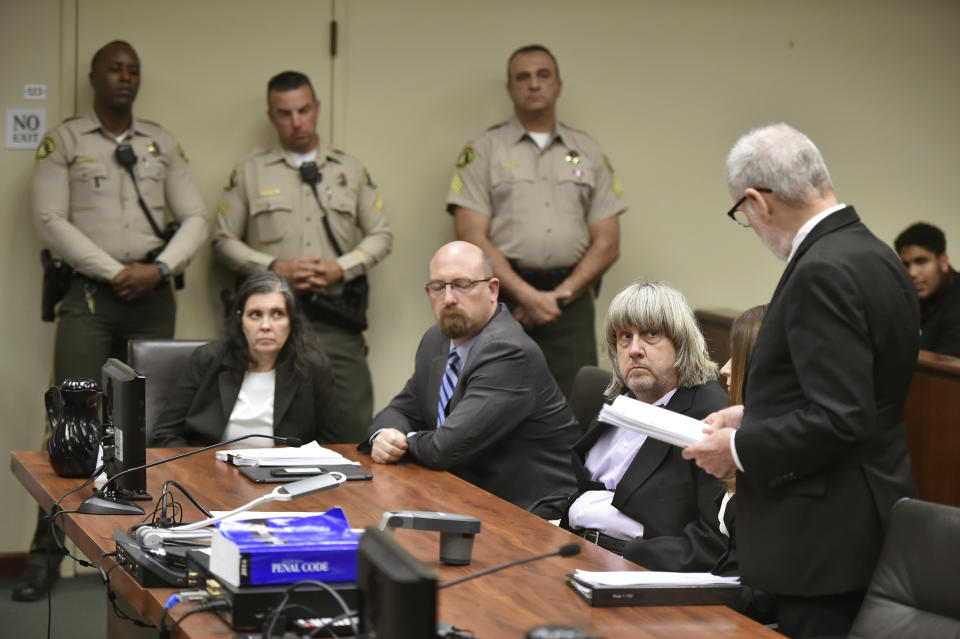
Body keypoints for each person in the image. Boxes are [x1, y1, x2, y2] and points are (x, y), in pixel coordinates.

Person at [683, 123, 920, 638]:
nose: (749, 222)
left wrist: (740, 447)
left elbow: (842, 415)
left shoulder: (822, 269)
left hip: (824, 538)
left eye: (740, 213)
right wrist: (754, 412)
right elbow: (855, 390)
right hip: (867, 512)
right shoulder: (874, 253)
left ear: (757, 201)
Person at [22, 40, 207, 602]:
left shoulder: (161, 142)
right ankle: (44, 554)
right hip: (91, 296)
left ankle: (146, 544)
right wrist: (113, 271)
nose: (125, 78)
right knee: (73, 420)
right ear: (94, 76)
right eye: (114, 69)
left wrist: (162, 268)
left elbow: (196, 216)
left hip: (152, 294)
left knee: (147, 421)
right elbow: (49, 217)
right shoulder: (66, 141)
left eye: (133, 70)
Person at [212, 71, 392, 443]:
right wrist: (274, 268)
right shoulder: (251, 172)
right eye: (285, 113)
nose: (296, 122)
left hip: (332, 314)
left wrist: (338, 269)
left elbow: (382, 235)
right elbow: (222, 241)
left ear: (317, 109)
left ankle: (351, 500)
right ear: (271, 116)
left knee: (352, 421)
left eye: (304, 110)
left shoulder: (349, 169)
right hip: (271, 316)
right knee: (267, 420)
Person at [447, 44, 627, 399]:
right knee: (497, 399)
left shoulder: (588, 151)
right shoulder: (483, 150)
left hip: (570, 303)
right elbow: (471, 237)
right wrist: (527, 296)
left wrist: (558, 298)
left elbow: (608, 242)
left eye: (543, 75)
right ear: (510, 88)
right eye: (523, 77)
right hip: (503, 299)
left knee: (578, 405)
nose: (533, 84)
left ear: (558, 85)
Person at [361, 241, 579, 515]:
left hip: (531, 512)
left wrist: (402, 441)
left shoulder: (507, 351)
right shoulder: (436, 340)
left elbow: (444, 448)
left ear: (492, 290)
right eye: (439, 287)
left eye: (462, 284)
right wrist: (383, 436)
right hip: (466, 495)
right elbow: (401, 409)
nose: (449, 298)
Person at [559, 281, 728, 572]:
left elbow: (713, 542)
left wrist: (628, 554)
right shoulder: (616, 403)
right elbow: (572, 486)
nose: (634, 349)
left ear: (681, 343)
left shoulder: (710, 414)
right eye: (625, 337)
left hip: (639, 572)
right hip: (569, 548)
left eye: (650, 335)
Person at [150, 271, 340, 447]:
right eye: (255, 315)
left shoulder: (313, 367)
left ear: (291, 321)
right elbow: (164, 434)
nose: (266, 326)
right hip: (208, 474)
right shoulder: (208, 359)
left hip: (284, 479)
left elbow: (332, 446)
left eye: (277, 314)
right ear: (241, 320)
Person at [894, 222, 960, 357]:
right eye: (905, 264)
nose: (912, 273)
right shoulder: (903, 297)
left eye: (921, 261)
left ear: (943, 262)